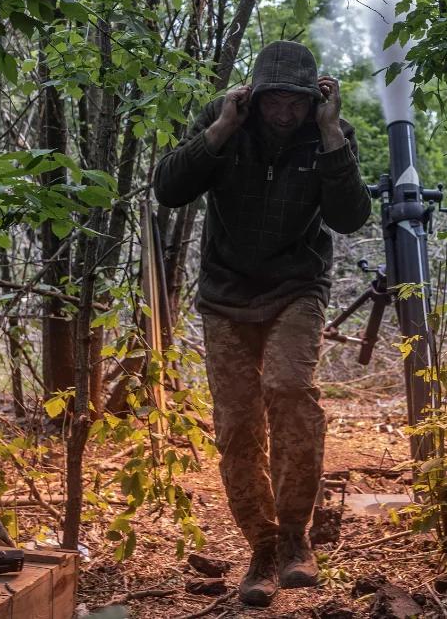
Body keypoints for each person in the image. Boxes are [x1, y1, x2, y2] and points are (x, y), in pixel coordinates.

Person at [153, 40, 370, 607]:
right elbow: (169, 189)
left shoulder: (330, 135)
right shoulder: (226, 121)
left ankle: (298, 538)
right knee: (237, 423)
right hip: (225, 295)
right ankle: (263, 548)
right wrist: (223, 125)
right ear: (256, 96)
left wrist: (329, 134)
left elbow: (350, 217)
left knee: (290, 389)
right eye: (274, 100)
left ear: (311, 100)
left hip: (296, 287)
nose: (284, 112)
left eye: (296, 102)